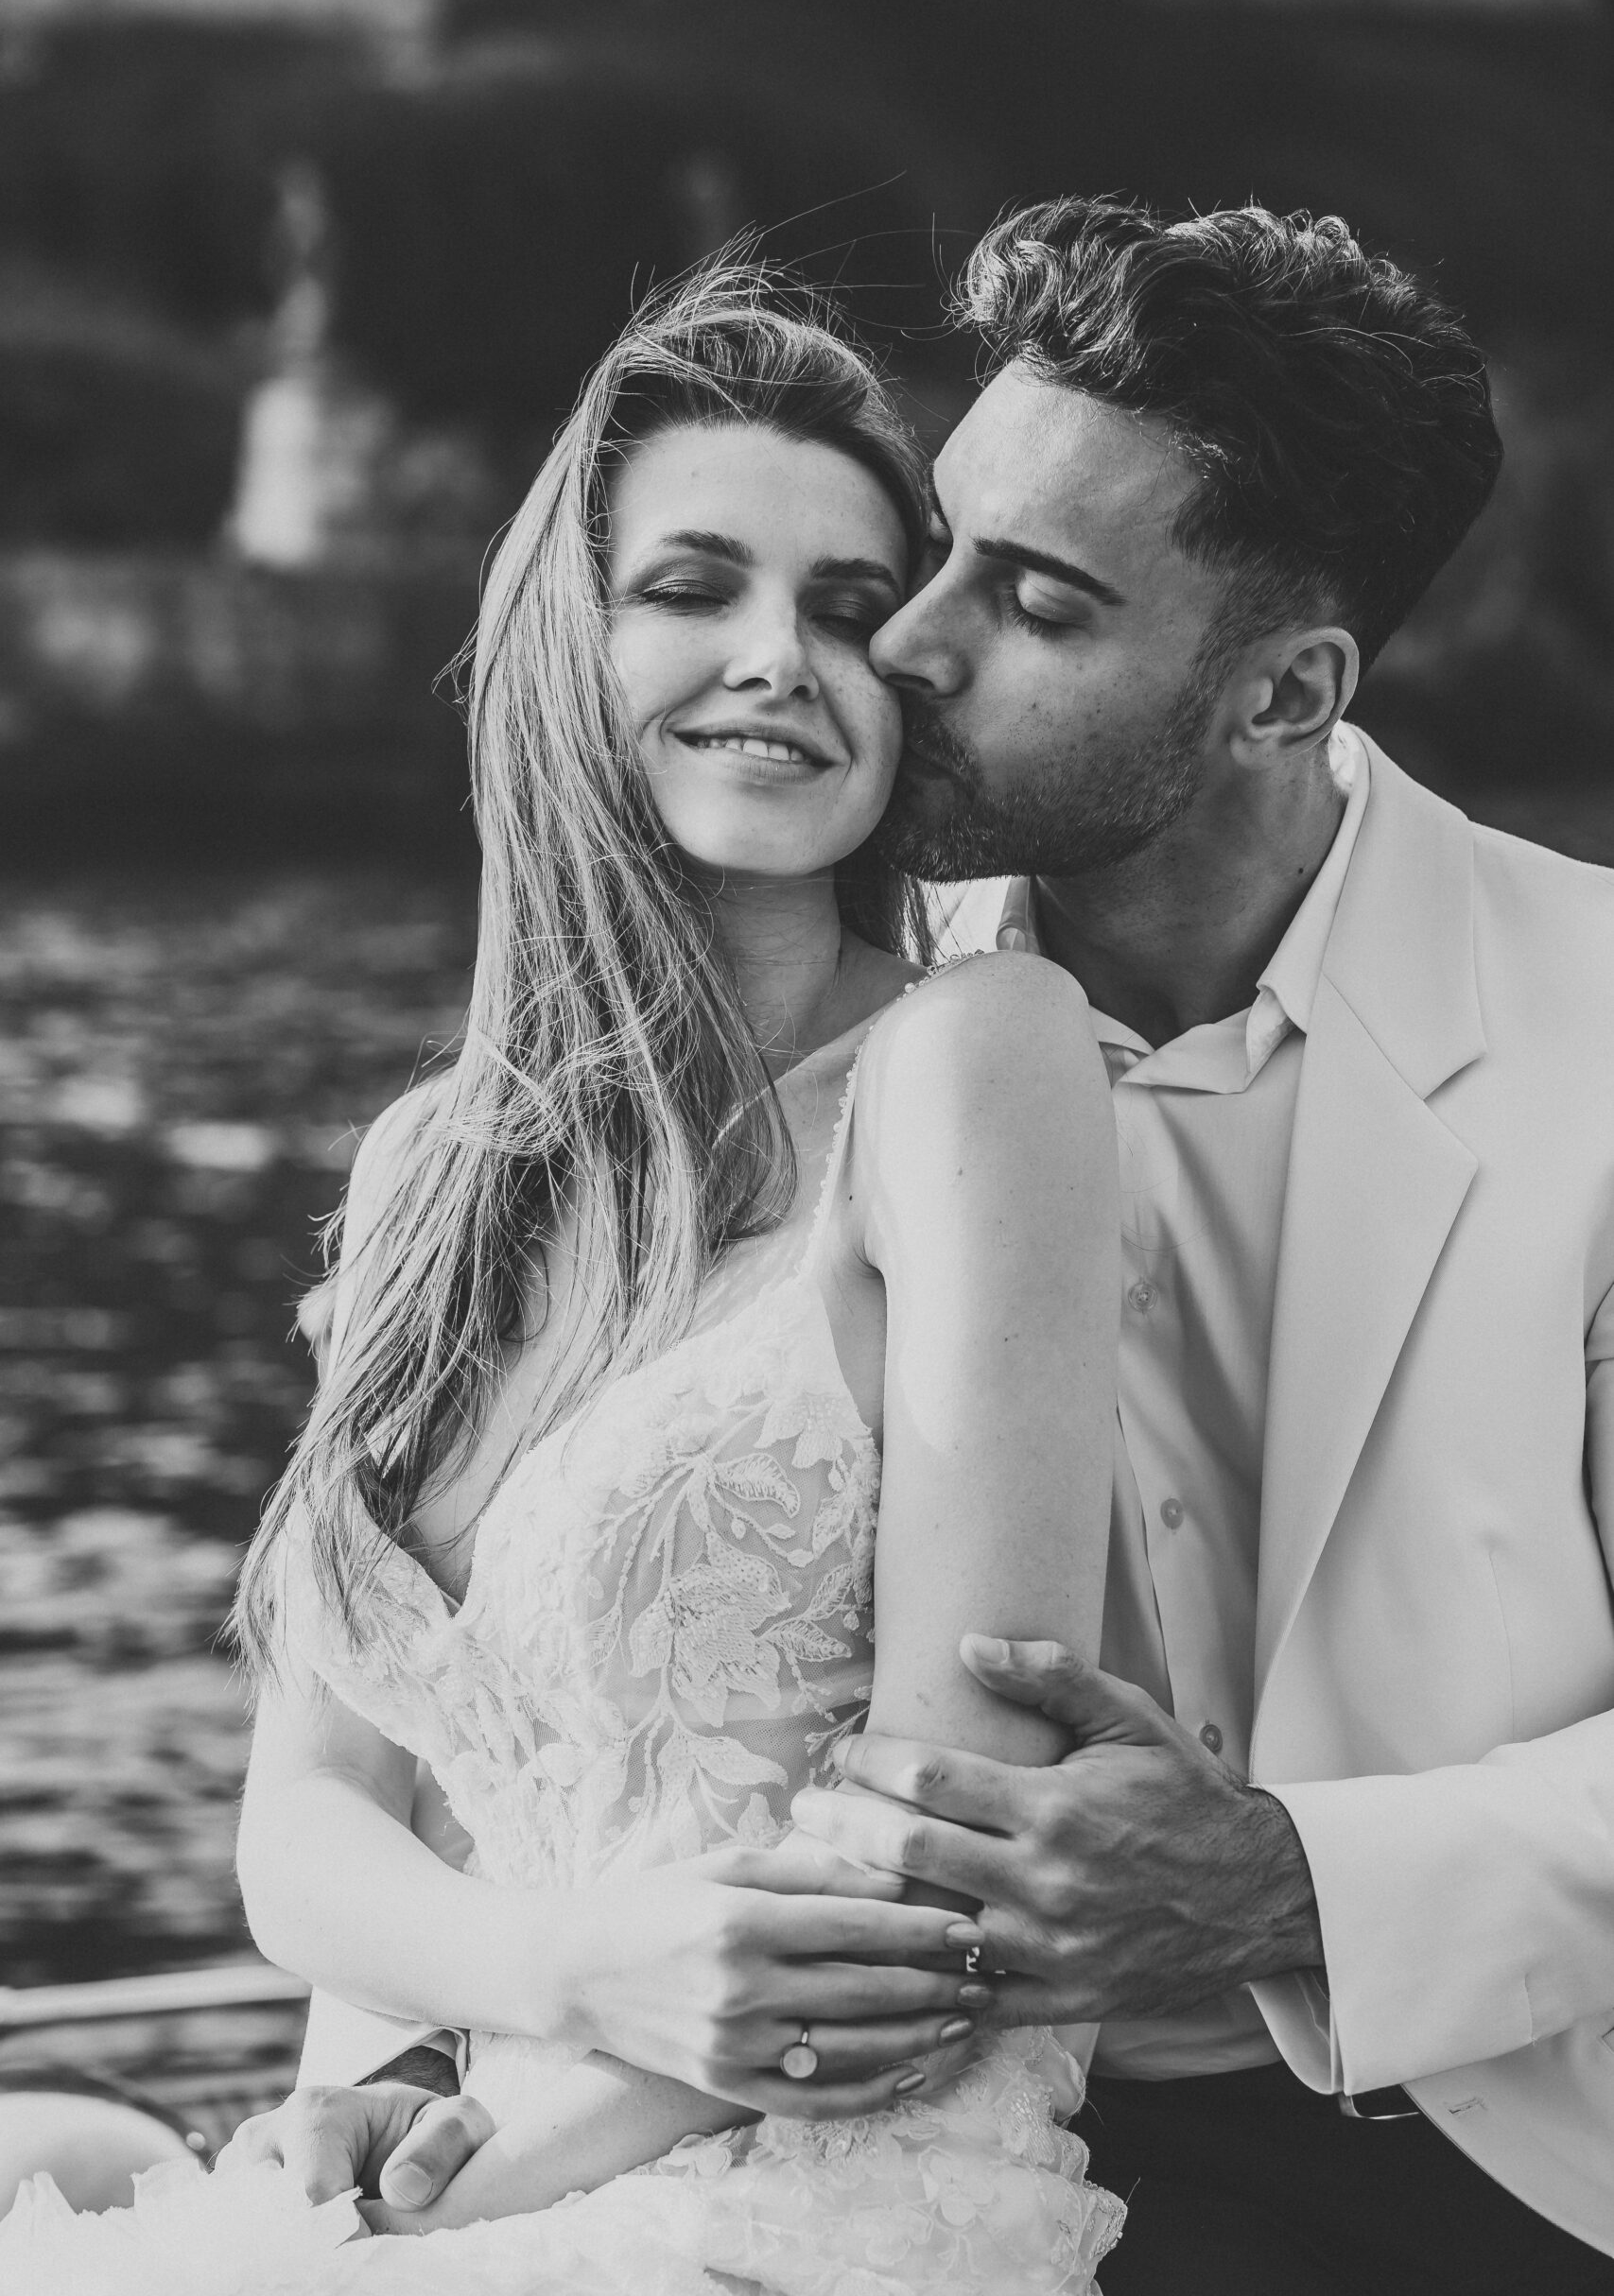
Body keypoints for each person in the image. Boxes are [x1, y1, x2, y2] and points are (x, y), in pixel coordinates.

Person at [223, 197, 1614, 2293]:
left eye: (1029, 599)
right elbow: (462, 1726)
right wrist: (453, 2046)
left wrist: (1290, 1879)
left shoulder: (1590, 1037)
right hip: (836, 2104)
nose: (902, 645)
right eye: (930, 550)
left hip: (1461, 2143)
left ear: (1278, 691)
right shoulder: (823, 1019)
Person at [1, 268, 1125, 2291]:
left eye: (853, 608)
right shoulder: (434, 1164)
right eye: (691, 584)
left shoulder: (975, 1059)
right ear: (567, 641)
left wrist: (445, 2178)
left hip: (802, 2160)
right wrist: (504, 2000)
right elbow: (305, 1829)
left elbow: (956, 1823)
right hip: (477, 2108)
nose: (776, 657)